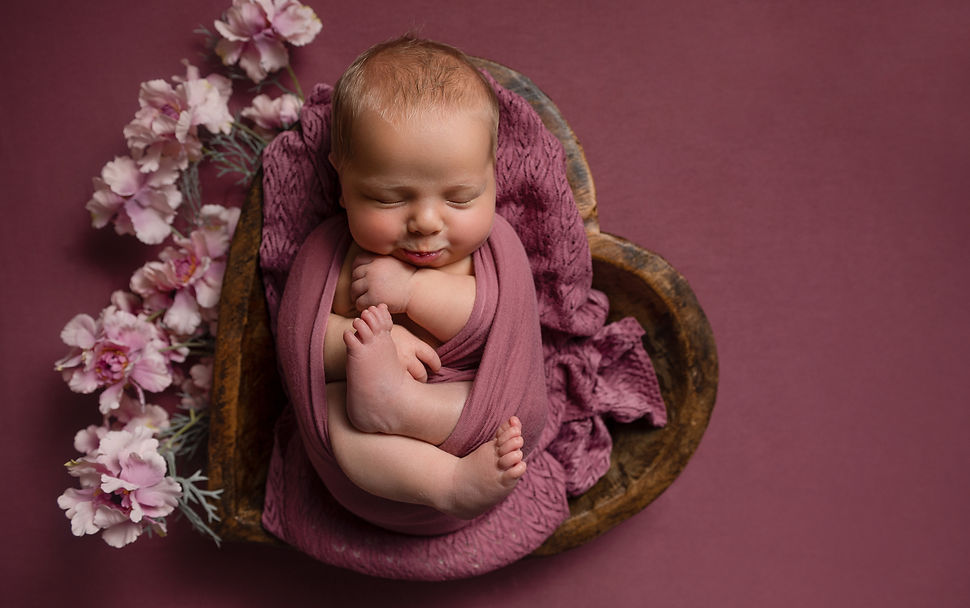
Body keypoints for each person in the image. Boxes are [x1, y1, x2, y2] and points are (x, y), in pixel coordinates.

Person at [319, 35, 531, 521]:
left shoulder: (492, 254)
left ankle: (405, 407)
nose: (427, 223)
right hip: (377, 437)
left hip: (466, 398)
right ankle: (446, 484)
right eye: (390, 199)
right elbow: (302, 336)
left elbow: (495, 320)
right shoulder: (336, 258)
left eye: (459, 198)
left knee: (501, 408)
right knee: (342, 419)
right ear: (343, 184)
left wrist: (414, 291)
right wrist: (372, 343)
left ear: (493, 176)